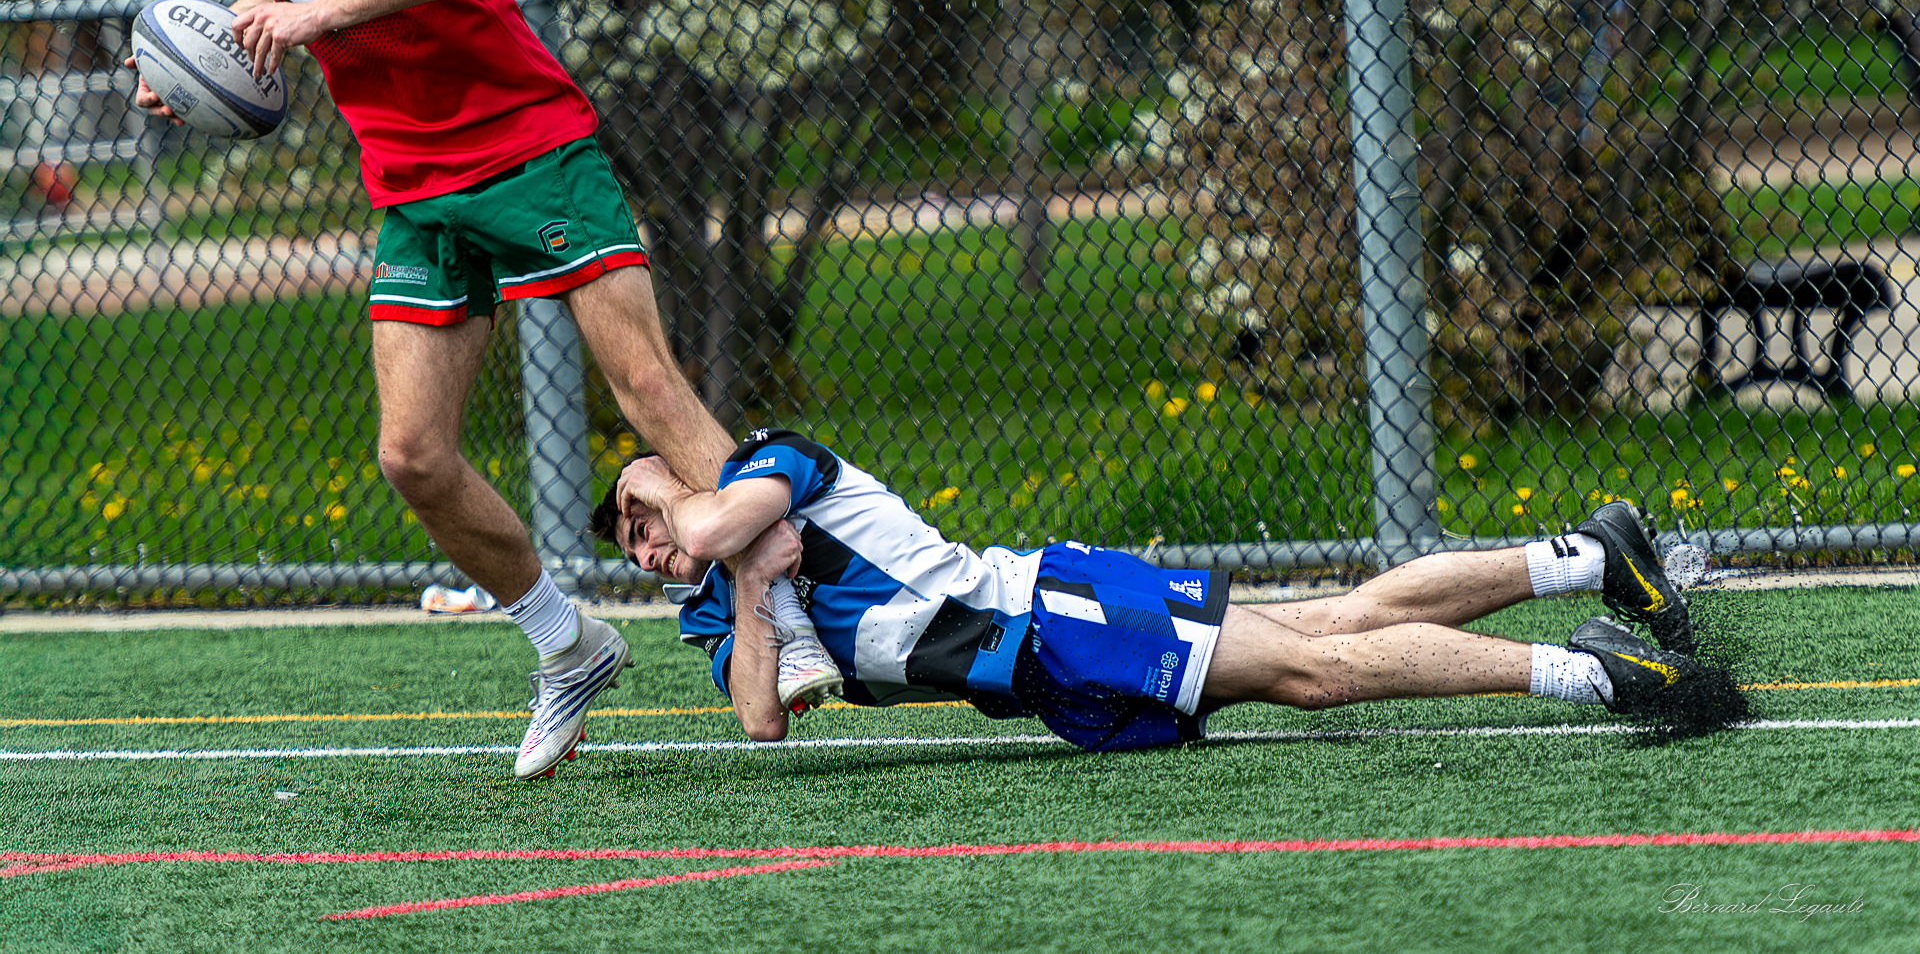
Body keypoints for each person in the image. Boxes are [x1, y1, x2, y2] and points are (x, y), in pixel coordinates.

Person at [126, 0, 736, 780]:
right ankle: (567, 646)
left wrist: (311, 19)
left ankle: (789, 595)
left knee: (648, 385)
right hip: (412, 185)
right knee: (412, 454)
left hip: (525, 144)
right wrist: (197, 59)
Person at [590, 430, 1718, 751]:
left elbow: (714, 517)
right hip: (1043, 675)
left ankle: (1605, 675)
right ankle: (1588, 558)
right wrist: (753, 585)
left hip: (1047, 616)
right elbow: (760, 717)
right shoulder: (722, 595)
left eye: (640, 518)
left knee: (1313, 672)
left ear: (679, 485)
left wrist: (670, 485)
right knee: (1335, 621)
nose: (646, 548)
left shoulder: (770, 465)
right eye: (631, 545)